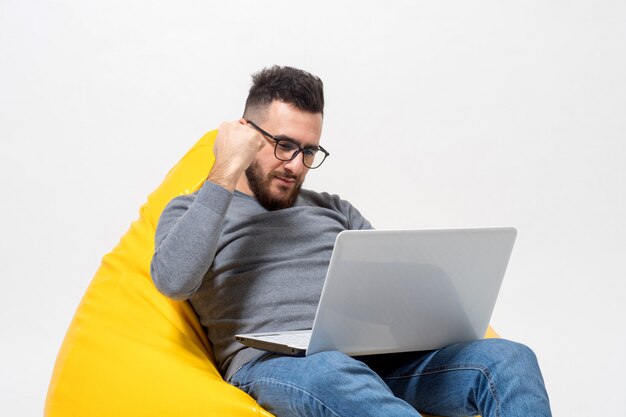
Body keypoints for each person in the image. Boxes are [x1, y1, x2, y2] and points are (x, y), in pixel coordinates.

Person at [150, 65, 552, 417]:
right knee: (332, 372)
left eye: (309, 151)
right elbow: (173, 280)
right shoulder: (195, 210)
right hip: (280, 367)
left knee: (509, 359)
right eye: (283, 145)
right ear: (247, 136)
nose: (295, 165)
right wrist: (225, 168)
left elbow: (391, 287)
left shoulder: (333, 209)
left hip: (375, 362)